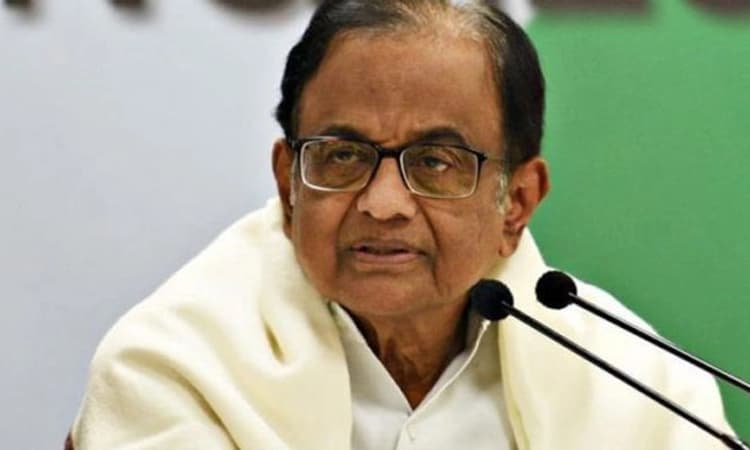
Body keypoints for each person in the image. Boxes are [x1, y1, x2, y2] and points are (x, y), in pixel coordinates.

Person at [68, 1, 738, 449]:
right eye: (342, 156)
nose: (383, 202)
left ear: (516, 202)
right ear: (289, 185)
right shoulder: (178, 366)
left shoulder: (641, 390)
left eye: (436, 162)